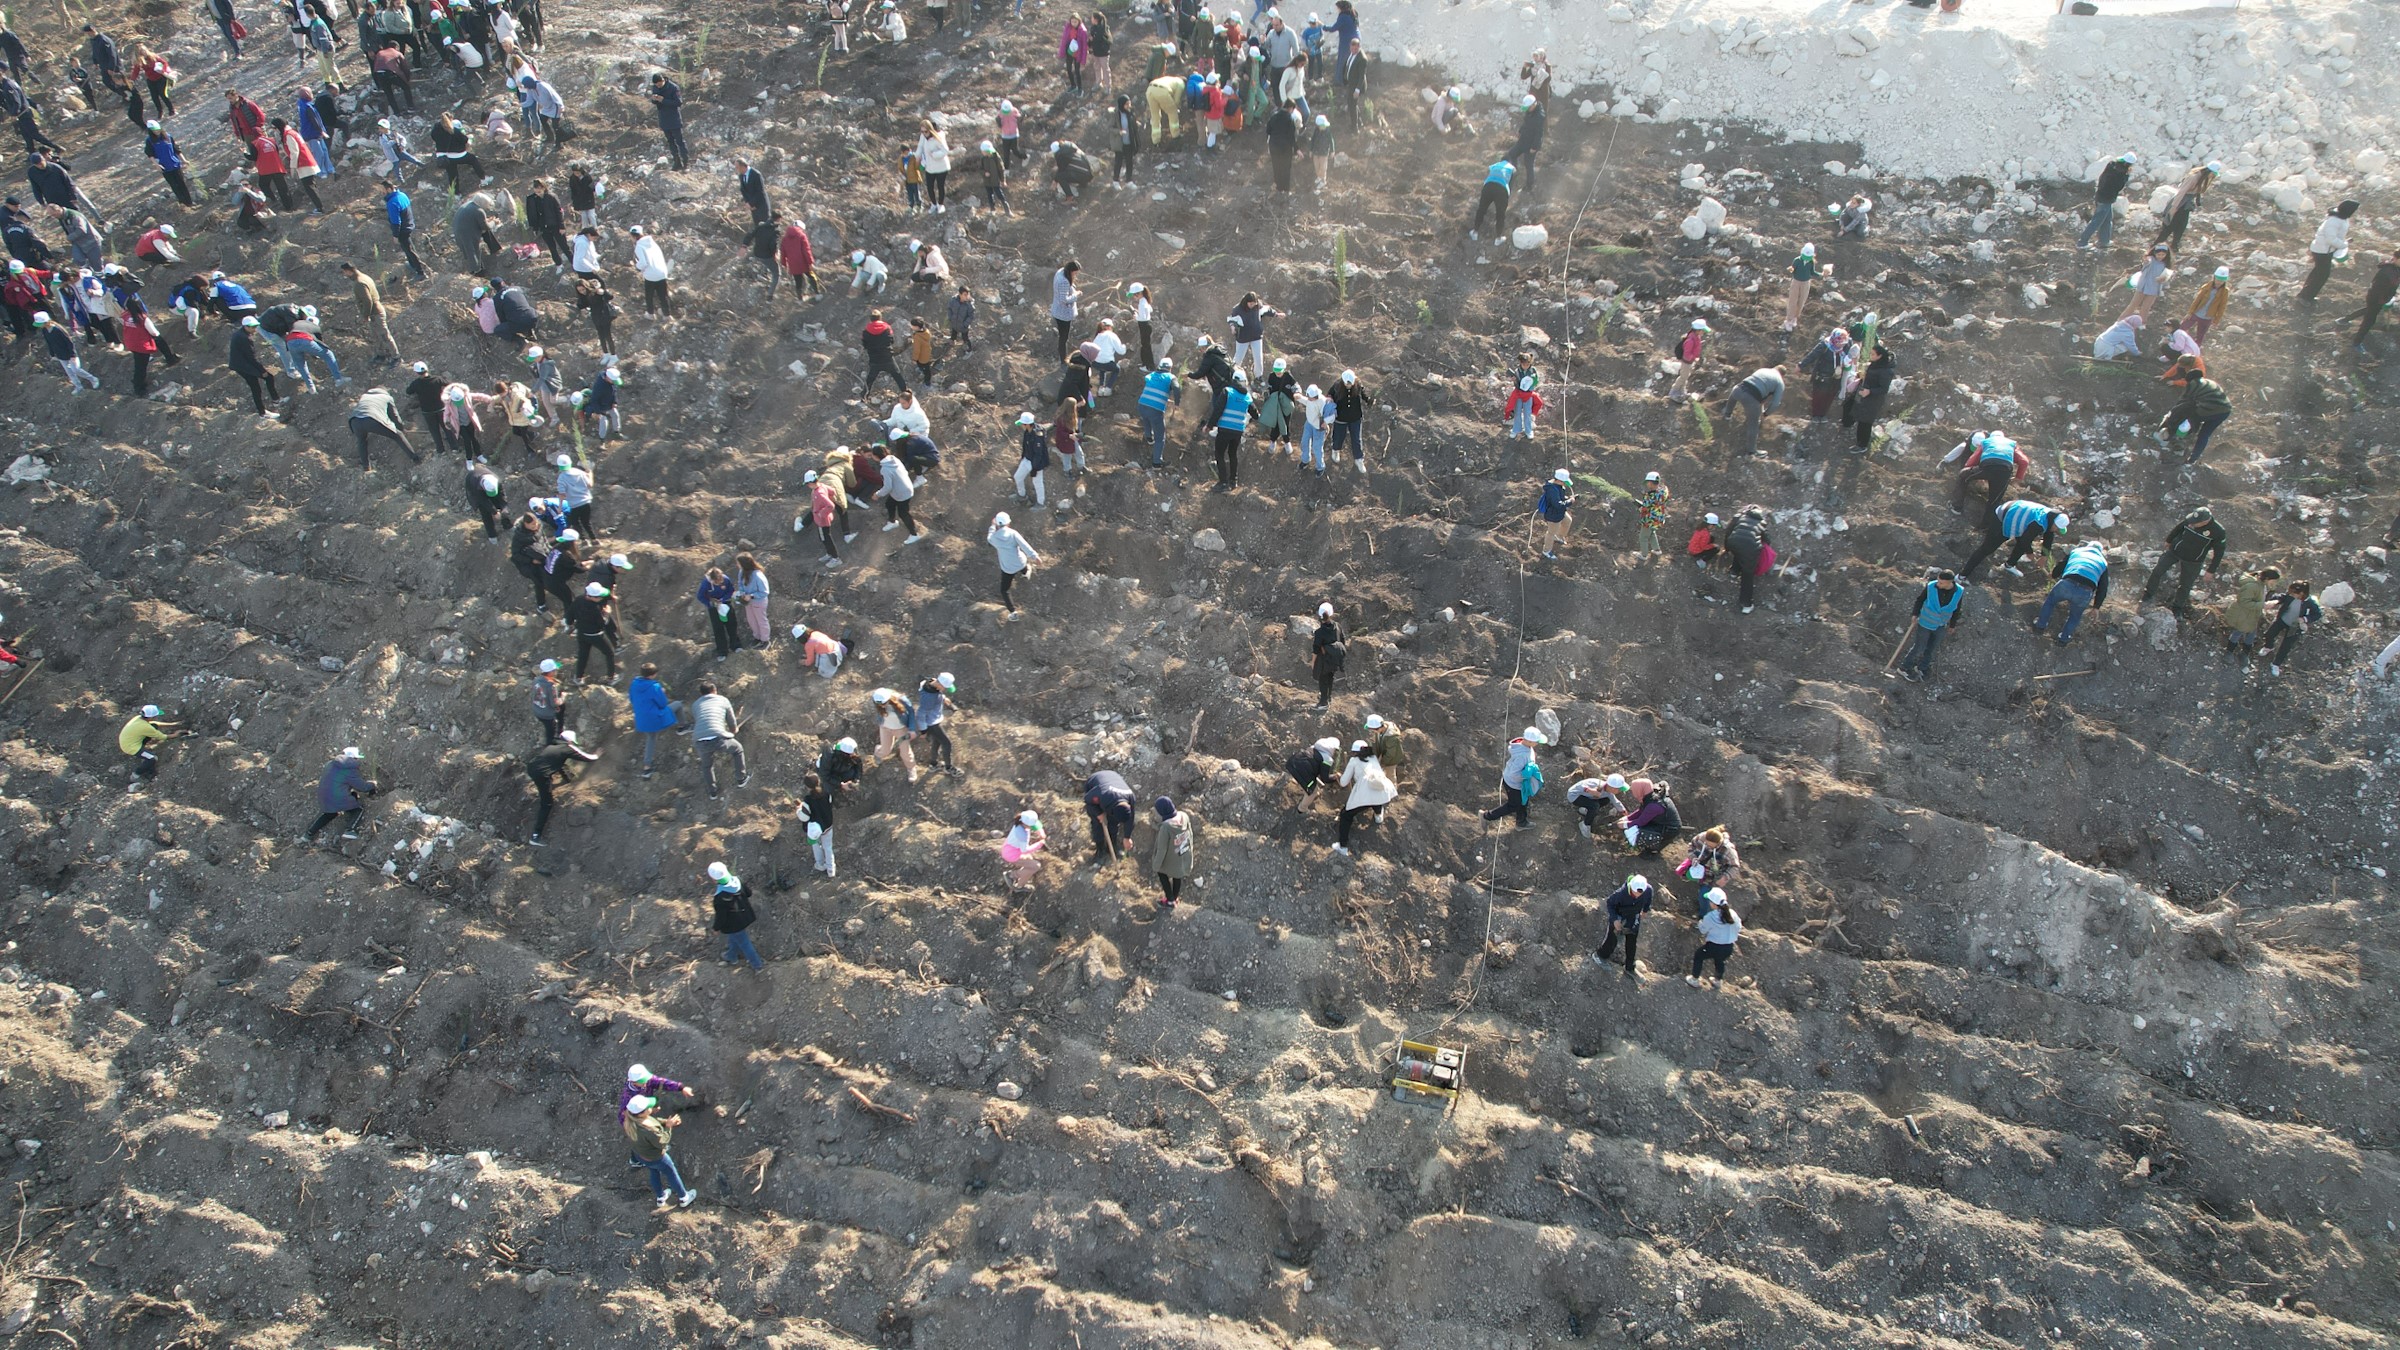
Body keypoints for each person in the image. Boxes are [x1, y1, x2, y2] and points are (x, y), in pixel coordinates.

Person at [2140, 507, 2227, 612]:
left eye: (2196, 523)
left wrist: (2211, 570)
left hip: (2193, 560)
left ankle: (2177, 607)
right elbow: (2178, 528)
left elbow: (2219, 553)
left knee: (2185, 584)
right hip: (2175, 551)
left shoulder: (2218, 531)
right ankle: (2148, 594)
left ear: (2205, 521)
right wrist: (2169, 540)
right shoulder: (2192, 520)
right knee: (2158, 571)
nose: (2192, 524)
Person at [621, 1094, 699, 1210]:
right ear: (641, 1113)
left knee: (654, 1172)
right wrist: (669, 1127)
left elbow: (653, 1120)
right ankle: (684, 1197)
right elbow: (662, 1142)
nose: (651, 1108)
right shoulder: (648, 1130)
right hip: (657, 1157)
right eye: (648, 1107)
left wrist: (665, 1122)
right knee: (671, 1173)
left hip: (642, 1156)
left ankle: (660, 1197)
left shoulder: (630, 1121)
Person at [523, 730, 599, 845]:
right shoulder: (567, 747)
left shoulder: (553, 745)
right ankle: (535, 836)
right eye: (573, 743)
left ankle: (535, 835)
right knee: (547, 804)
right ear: (569, 741)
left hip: (532, 768)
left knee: (545, 784)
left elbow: (559, 765)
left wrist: (568, 780)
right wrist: (597, 755)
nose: (573, 745)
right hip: (541, 774)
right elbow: (586, 757)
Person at [1963, 499, 2066, 580]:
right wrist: (2030, 553)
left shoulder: (2051, 517)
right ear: (2054, 523)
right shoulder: (2039, 523)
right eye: (2057, 528)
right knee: (1987, 548)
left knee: (2023, 544)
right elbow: (2024, 540)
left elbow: (2049, 536)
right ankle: (1962, 575)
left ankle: (2009, 565)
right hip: (2005, 516)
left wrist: (2044, 556)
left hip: (2020, 518)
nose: (2056, 531)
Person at [2034, 541, 2111, 645]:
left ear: (2088, 546)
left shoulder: (2077, 552)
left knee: (2050, 601)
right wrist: (2096, 607)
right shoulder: (2102, 562)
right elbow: (2103, 587)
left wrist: (2053, 575)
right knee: (2075, 616)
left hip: (2067, 583)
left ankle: (2040, 626)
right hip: (2085, 591)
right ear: (2100, 552)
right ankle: (2063, 639)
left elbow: (2061, 565)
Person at [1896, 569, 1964, 683]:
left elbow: (1957, 609)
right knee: (1919, 647)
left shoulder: (1959, 592)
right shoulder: (1931, 587)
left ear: (1950, 582)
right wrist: (1915, 614)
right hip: (1925, 623)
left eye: (1942, 583)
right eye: (1938, 581)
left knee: (1931, 649)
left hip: (1941, 625)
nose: (1938, 584)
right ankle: (1904, 668)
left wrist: (1952, 625)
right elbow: (1920, 600)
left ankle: (1922, 668)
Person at [1332, 739, 1395, 857]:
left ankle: (1343, 847)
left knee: (1346, 815)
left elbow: (1343, 783)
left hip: (1365, 792)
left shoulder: (1353, 761)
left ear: (1354, 752)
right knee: (1376, 798)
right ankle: (1378, 817)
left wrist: (1339, 777)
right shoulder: (1374, 758)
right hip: (1381, 788)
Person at [689, 678, 750, 799]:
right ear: (714, 690)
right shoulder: (723, 700)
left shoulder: (695, 705)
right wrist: (733, 730)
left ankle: (712, 792)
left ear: (701, 693)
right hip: (718, 738)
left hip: (699, 740)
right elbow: (731, 721)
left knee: (707, 765)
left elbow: (701, 721)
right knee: (737, 749)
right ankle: (741, 779)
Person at [304, 747, 378, 842]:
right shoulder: (350, 769)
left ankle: (308, 834)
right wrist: (372, 784)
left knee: (330, 813)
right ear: (354, 758)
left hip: (323, 796)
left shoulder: (330, 764)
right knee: (359, 809)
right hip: (337, 798)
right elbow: (362, 787)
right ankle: (350, 830)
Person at [2161, 368, 2233, 465]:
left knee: (2188, 421)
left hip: (2209, 409)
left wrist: (2169, 421)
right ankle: (2192, 459)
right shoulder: (2209, 382)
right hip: (2225, 411)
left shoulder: (2193, 384)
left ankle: (2178, 439)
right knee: (2204, 435)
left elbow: (2182, 403)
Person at [1479, 727, 1547, 828]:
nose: (1537, 743)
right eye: (1536, 741)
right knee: (1514, 805)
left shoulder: (1522, 746)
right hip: (1514, 784)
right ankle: (1486, 816)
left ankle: (1521, 822)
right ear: (1529, 741)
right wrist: (1526, 777)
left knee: (1523, 801)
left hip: (1514, 781)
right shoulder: (1522, 756)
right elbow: (1514, 774)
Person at [1594, 874, 1654, 979]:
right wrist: (1615, 920)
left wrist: (1645, 910)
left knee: (1632, 941)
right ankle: (1600, 956)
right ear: (1631, 888)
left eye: (1641, 893)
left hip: (1633, 915)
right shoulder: (1621, 894)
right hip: (1619, 915)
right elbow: (1610, 903)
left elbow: (1648, 898)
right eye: (1636, 892)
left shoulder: (1647, 890)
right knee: (1612, 939)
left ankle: (1630, 967)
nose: (1638, 895)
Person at [2257, 580, 2320, 677]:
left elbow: (2317, 614)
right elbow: (2282, 597)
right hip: (2283, 620)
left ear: (2301, 594)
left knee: (2286, 646)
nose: (2290, 594)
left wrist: (2305, 619)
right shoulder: (2291, 596)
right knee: (2270, 634)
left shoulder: (2310, 603)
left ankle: (2276, 664)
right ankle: (2269, 647)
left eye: (2293, 593)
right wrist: (2275, 601)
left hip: (2294, 626)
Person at [705, 861, 762, 969]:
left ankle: (757, 965)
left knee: (745, 943)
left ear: (714, 879)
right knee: (735, 937)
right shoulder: (737, 880)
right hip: (745, 915)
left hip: (734, 924)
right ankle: (731, 955)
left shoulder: (720, 897)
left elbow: (721, 916)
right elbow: (749, 893)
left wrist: (716, 928)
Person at [2077, 152, 2135, 252]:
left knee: (2107, 220)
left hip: (2101, 195)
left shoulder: (2111, 165)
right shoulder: (2121, 174)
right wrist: (2126, 176)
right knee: (2097, 221)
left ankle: (2104, 241)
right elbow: (2119, 187)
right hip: (2106, 199)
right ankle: (2082, 242)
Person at [2153, 161, 2217, 251]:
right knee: (2170, 227)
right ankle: (2155, 247)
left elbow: (2198, 191)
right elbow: (2181, 192)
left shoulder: (2203, 178)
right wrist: (2174, 208)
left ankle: (2174, 246)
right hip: (2180, 203)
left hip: (2186, 205)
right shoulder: (2193, 177)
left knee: (2181, 227)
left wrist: (2198, 202)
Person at [1147, 797, 1197, 912]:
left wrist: (1156, 865)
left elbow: (1162, 849)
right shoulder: (1183, 816)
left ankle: (1170, 901)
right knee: (1177, 876)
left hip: (1171, 858)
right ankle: (1174, 897)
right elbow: (1190, 834)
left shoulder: (1166, 828)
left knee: (1162, 873)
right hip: (1182, 854)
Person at [1843, 343, 1894, 454]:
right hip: (1864, 396)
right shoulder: (1875, 365)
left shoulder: (1886, 371)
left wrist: (1870, 391)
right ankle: (1855, 435)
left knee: (1865, 422)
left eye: (1873, 354)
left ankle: (1862, 445)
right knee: (1855, 413)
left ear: (1879, 356)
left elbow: (1884, 389)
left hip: (1873, 400)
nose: (1870, 356)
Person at [117, 704, 182, 789]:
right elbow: (162, 737)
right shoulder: (145, 727)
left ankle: (144, 755)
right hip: (130, 747)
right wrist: (176, 734)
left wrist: (173, 724)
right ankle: (135, 776)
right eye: (155, 716)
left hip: (128, 740)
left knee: (153, 726)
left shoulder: (138, 718)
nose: (156, 717)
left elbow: (154, 724)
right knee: (152, 758)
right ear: (151, 717)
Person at [1687, 889, 1742, 988]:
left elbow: (1703, 930)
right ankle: (1718, 980)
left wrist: (1700, 923)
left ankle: (1694, 979)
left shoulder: (1711, 916)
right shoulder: (1732, 914)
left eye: (1710, 901)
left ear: (1713, 904)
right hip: (1729, 947)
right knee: (1720, 961)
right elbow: (1738, 927)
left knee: (1699, 955)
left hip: (1714, 946)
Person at [1726, 365, 1784, 457]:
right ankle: (1752, 451)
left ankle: (1727, 414)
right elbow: (1775, 403)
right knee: (1754, 423)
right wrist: (1765, 413)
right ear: (1783, 375)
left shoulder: (1763, 369)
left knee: (1734, 395)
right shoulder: (1779, 382)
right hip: (1751, 399)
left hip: (1738, 389)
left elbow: (1754, 385)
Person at [2221, 566, 2275, 667]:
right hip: (2243, 614)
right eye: (2273, 581)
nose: (2274, 584)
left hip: (2252, 615)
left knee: (2251, 635)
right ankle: (2229, 652)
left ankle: (2244, 654)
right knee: (2238, 632)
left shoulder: (2262, 585)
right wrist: (2262, 605)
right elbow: (2244, 602)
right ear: (2267, 579)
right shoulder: (2252, 586)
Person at [2348, 251, 2400, 351]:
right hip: (2376, 298)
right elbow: (2377, 288)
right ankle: (2357, 342)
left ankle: (2345, 319)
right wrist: (2382, 299)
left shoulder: (2395, 269)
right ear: (2396, 259)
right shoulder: (2387, 272)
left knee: (2368, 311)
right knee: (2369, 321)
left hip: (2381, 299)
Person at [1724, 505, 1772, 613]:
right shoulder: (1762, 523)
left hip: (1733, 542)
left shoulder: (1740, 517)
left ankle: (1734, 571)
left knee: (1739, 550)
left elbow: (1728, 531)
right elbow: (1767, 541)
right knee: (1747, 575)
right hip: (1750, 549)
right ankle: (1746, 604)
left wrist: (1727, 547)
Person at [1796, 327, 1852, 420]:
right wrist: (1801, 365)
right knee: (1819, 396)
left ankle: (1823, 414)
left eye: (1843, 343)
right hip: (1822, 376)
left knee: (1830, 396)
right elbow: (1812, 355)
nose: (1840, 345)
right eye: (1839, 343)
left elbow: (1852, 354)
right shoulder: (1825, 345)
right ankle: (1816, 415)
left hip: (1836, 377)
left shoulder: (1847, 344)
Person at [569, 581, 619, 683]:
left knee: (583, 655)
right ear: (593, 597)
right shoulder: (594, 609)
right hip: (596, 635)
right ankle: (611, 678)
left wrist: (569, 623)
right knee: (610, 653)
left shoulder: (579, 600)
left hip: (581, 633)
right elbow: (602, 623)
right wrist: (607, 613)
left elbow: (569, 614)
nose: (601, 598)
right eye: (599, 597)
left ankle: (578, 678)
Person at [989, 512, 1039, 614]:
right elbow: (1025, 545)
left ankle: (1013, 612)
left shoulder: (993, 538)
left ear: (997, 524)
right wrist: (1035, 556)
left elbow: (989, 536)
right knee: (1023, 564)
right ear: (1008, 523)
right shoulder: (1013, 533)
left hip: (1007, 568)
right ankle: (1025, 573)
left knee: (1005, 590)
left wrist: (992, 526)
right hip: (1020, 562)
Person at [1083, 769, 1136, 863]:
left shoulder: (1131, 798)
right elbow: (1087, 800)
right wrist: (1098, 813)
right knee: (1098, 824)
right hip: (1094, 783)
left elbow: (1130, 819)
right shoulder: (1102, 794)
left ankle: (1111, 847)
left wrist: (1127, 837)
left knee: (1113, 823)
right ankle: (1100, 850)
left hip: (1113, 778)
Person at [1212, 369, 1253, 489]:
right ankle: (1233, 481)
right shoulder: (1247, 397)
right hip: (1238, 431)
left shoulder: (1227, 391)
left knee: (1219, 453)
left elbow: (1218, 410)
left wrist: (1210, 425)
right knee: (1232, 453)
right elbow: (1254, 413)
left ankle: (1223, 482)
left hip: (1225, 428)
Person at [911, 674, 959, 773]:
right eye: (945, 688)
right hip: (932, 723)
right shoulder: (931, 698)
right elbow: (920, 714)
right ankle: (948, 767)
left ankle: (933, 764)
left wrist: (943, 698)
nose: (945, 689)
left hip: (933, 720)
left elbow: (936, 689)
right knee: (947, 744)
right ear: (940, 685)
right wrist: (923, 730)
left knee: (937, 742)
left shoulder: (929, 683)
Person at [1619, 778, 1681, 856]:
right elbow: (1642, 811)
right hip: (1660, 823)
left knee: (1640, 833)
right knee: (1635, 828)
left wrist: (1625, 824)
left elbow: (1641, 822)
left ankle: (1653, 851)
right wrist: (1627, 818)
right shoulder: (1650, 796)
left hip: (1669, 830)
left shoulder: (1654, 805)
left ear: (1639, 790)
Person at [859, 308, 905, 394]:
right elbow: (891, 341)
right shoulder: (887, 328)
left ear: (871, 319)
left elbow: (865, 345)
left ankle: (864, 397)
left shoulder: (865, 331)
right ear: (880, 318)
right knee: (898, 376)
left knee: (870, 379)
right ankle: (906, 395)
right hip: (887, 358)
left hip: (874, 359)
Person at [648, 72, 689, 169]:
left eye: (659, 84)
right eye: (656, 85)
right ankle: (677, 162)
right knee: (670, 142)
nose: (658, 86)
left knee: (680, 142)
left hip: (674, 118)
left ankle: (686, 163)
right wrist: (654, 99)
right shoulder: (655, 88)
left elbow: (678, 102)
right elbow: (655, 101)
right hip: (663, 118)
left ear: (663, 80)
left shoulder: (673, 88)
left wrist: (663, 100)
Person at [1679, 825, 1740, 890]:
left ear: (1719, 843)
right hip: (1698, 864)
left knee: (1705, 894)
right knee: (1684, 873)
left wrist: (1725, 877)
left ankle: (1705, 886)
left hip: (1714, 873)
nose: (1709, 848)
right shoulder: (1700, 838)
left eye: (1712, 847)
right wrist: (1693, 857)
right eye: (1707, 845)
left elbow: (1735, 866)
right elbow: (1691, 847)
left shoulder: (1728, 850)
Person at [1467, 158, 1515, 241]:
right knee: (1500, 214)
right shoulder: (1511, 168)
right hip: (1501, 189)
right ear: (1510, 161)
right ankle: (1498, 238)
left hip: (1488, 186)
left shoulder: (1495, 165)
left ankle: (1475, 232)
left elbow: (1489, 176)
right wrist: (1507, 196)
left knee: (1481, 209)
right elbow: (1510, 183)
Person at [631, 225, 674, 318]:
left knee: (649, 295)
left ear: (633, 236)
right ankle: (667, 315)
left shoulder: (639, 246)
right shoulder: (652, 242)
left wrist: (637, 267)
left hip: (651, 275)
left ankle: (651, 314)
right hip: (662, 272)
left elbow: (643, 262)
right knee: (663, 295)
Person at [1783, 244, 1827, 331]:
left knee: (1801, 301)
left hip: (1806, 283)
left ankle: (1795, 317)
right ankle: (1788, 320)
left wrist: (1821, 275)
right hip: (1796, 282)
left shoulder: (1811, 262)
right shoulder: (1797, 260)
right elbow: (1793, 269)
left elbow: (1812, 272)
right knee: (1793, 300)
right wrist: (1791, 269)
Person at [1531, 469, 1573, 560]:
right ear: (1559, 480)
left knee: (1568, 521)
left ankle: (1559, 536)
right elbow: (1557, 504)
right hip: (1553, 515)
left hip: (1560, 512)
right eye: (1564, 482)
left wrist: (1567, 498)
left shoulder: (1559, 486)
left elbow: (1560, 498)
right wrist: (1569, 502)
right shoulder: (1552, 490)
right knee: (1551, 533)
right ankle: (1546, 551)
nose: (1566, 484)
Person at [1286, 736, 1342, 805]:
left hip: (1292, 763)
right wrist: (1335, 777)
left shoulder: (1313, 748)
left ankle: (1286, 780)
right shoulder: (1327, 759)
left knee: (1305, 778)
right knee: (1312, 792)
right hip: (1302, 771)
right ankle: (1301, 810)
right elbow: (1325, 778)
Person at [800, 773, 837, 875]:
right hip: (828, 825)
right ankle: (831, 869)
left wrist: (799, 809)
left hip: (814, 829)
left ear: (807, 786)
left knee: (815, 845)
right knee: (828, 847)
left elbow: (804, 816)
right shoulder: (827, 793)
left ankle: (820, 864)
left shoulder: (807, 800)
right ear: (819, 782)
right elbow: (830, 804)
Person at [733, 553, 772, 646]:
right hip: (748, 602)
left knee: (761, 621)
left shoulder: (758, 575)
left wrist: (751, 596)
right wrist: (742, 594)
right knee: (752, 620)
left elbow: (765, 592)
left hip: (759, 601)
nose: (737, 565)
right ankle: (757, 637)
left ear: (744, 564)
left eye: (738, 563)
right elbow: (740, 584)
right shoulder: (741, 572)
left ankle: (765, 640)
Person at [1002, 810, 1047, 888]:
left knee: (1030, 859)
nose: (1033, 828)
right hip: (1011, 855)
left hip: (1009, 849)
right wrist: (1039, 844)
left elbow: (1036, 825)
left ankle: (1022, 881)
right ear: (1026, 824)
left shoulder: (1020, 820)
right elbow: (1025, 850)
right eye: (1032, 826)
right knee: (1036, 866)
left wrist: (1041, 832)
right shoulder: (1022, 834)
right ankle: (1012, 876)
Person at [1666, 319, 1707, 402]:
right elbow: (1687, 354)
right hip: (1686, 362)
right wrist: (1694, 358)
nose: (1704, 332)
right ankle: (1673, 392)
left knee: (1686, 377)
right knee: (1683, 377)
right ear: (1698, 331)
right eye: (1703, 330)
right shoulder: (1690, 341)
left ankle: (1682, 391)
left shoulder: (1696, 337)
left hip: (1690, 362)